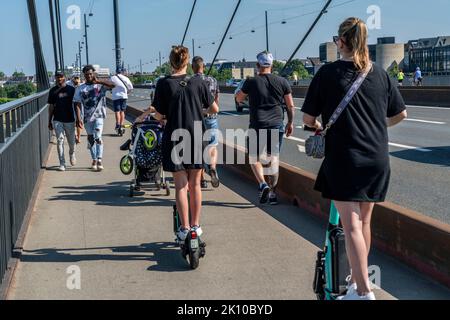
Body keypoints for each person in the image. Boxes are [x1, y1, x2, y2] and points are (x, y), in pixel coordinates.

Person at [302, 17, 407, 300]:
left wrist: (320, 128)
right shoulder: (381, 73)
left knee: (350, 226)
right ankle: (355, 283)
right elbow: (400, 114)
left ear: (342, 42)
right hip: (377, 158)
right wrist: (374, 126)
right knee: (363, 224)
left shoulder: (327, 73)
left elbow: (308, 119)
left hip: (346, 159)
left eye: (336, 41)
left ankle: (363, 292)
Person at [136, 46, 219, 242]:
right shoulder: (199, 82)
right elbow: (214, 108)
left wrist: (165, 116)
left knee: (181, 186)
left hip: (174, 136)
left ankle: (184, 228)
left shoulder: (163, 84)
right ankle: (196, 226)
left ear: (170, 62)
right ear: (187, 62)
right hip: (196, 135)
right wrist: (198, 111)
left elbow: (159, 114)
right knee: (195, 184)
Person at [235, 51, 295, 205]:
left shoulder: (251, 81)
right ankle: (273, 195)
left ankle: (263, 184)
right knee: (273, 157)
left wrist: (246, 94)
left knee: (254, 157)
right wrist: (290, 123)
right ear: (272, 65)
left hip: (257, 124)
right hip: (276, 124)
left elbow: (239, 98)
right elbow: (290, 105)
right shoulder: (282, 81)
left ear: (257, 65)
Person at [73, 65, 115, 171]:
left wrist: (100, 82)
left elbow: (113, 85)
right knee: (91, 138)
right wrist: (78, 119)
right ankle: (94, 159)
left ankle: (99, 159)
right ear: (84, 75)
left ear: (94, 74)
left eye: (91, 74)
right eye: (87, 74)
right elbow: (77, 104)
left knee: (98, 136)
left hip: (99, 115)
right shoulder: (80, 88)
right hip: (87, 117)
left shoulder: (100, 86)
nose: (89, 76)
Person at [191, 56, 220, 189]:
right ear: (204, 67)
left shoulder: (190, 81)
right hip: (211, 117)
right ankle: (213, 167)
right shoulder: (213, 80)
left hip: (196, 117)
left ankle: (201, 178)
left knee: (199, 148)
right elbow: (216, 100)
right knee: (212, 145)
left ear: (192, 68)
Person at [48, 71, 78, 172]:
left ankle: (72, 153)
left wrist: (79, 118)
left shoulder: (71, 90)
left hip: (69, 119)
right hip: (57, 119)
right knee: (60, 140)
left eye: (61, 77)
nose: (59, 79)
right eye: (57, 77)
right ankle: (62, 163)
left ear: (64, 77)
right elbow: (51, 106)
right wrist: (49, 120)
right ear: (55, 78)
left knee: (71, 142)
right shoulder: (52, 91)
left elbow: (76, 105)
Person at [111, 68, 134, 135]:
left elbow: (108, 85)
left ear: (116, 72)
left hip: (116, 97)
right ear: (121, 72)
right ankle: (121, 124)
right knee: (122, 111)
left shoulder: (112, 78)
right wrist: (127, 93)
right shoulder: (126, 78)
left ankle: (118, 125)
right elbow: (131, 88)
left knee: (117, 111)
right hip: (124, 97)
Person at [66, 73, 83, 144]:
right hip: (70, 104)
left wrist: (78, 85)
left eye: (77, 78)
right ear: (72, 78)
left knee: (79, 121)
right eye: (75, 78)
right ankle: (75, 135)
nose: (76, 79)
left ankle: (78, 137)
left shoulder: (81, 85)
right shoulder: (68, 84)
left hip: (79, 105)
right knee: (72, 121)